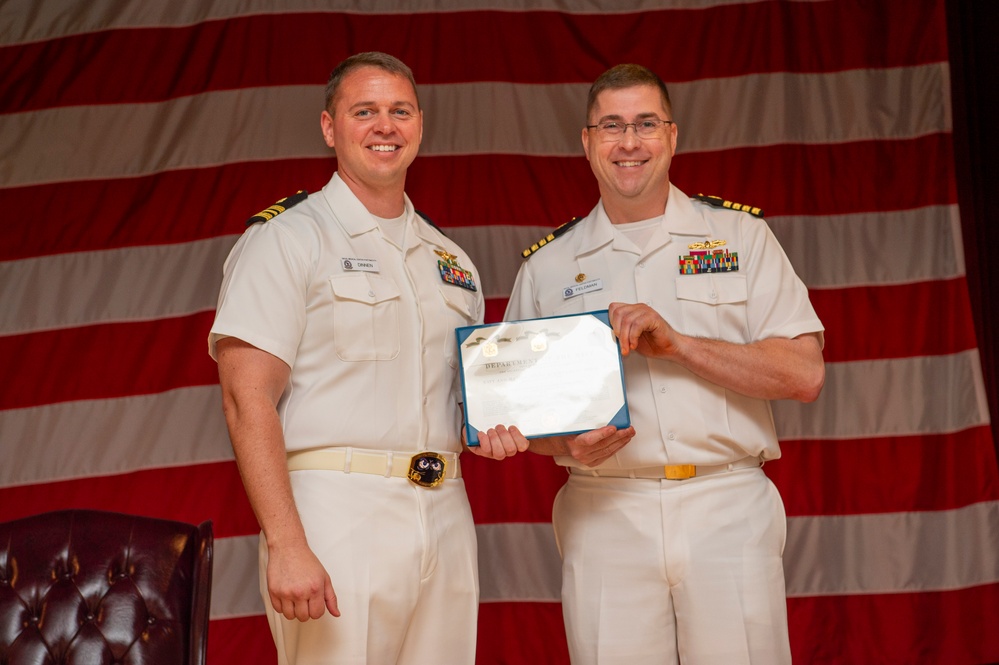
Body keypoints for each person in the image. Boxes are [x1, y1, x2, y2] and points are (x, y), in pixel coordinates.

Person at [473, 64, 825, 664]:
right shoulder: (550, 266)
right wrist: (555, 445)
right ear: (587, 142)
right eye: (611, 126)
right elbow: (521, 417)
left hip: (727, 506)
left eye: (645, 124)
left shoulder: (739, 238)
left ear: (672, 136)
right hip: (605, 511)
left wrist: (680, 345)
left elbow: (803, 373)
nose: (629, 142)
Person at [209, 52, 484, 664]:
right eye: (365, 111)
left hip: (444, 510)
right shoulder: (287, 238)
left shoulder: (452, 262)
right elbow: (245, 395)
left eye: (400, 111)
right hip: (336, 513)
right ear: (331, 127)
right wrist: (286, 543)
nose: (385, 126)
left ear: (419, 124)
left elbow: (471, 398)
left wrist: (510, 425)